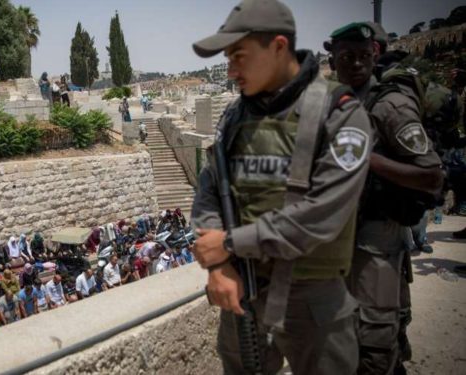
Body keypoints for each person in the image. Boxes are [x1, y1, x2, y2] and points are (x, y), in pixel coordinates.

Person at [190, 1, 372, 373]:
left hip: (313, 300)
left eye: (239, 56)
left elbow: (320, 217)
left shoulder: (339, 113)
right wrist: (219, 266)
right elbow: (210, 187)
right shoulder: (235, 115)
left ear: (277, 47)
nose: (231, 69)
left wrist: (228, 244)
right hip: (244, 291)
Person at [326, 22, 443, 375]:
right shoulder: (338, 104)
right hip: (342, 244)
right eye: (347, 57)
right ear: (332, 59)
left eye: (364, 56)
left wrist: (370, 160)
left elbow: (432, 176)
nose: (357, 64)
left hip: (377, 241)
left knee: (375, 349)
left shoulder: (389, 105)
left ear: (375, 54)